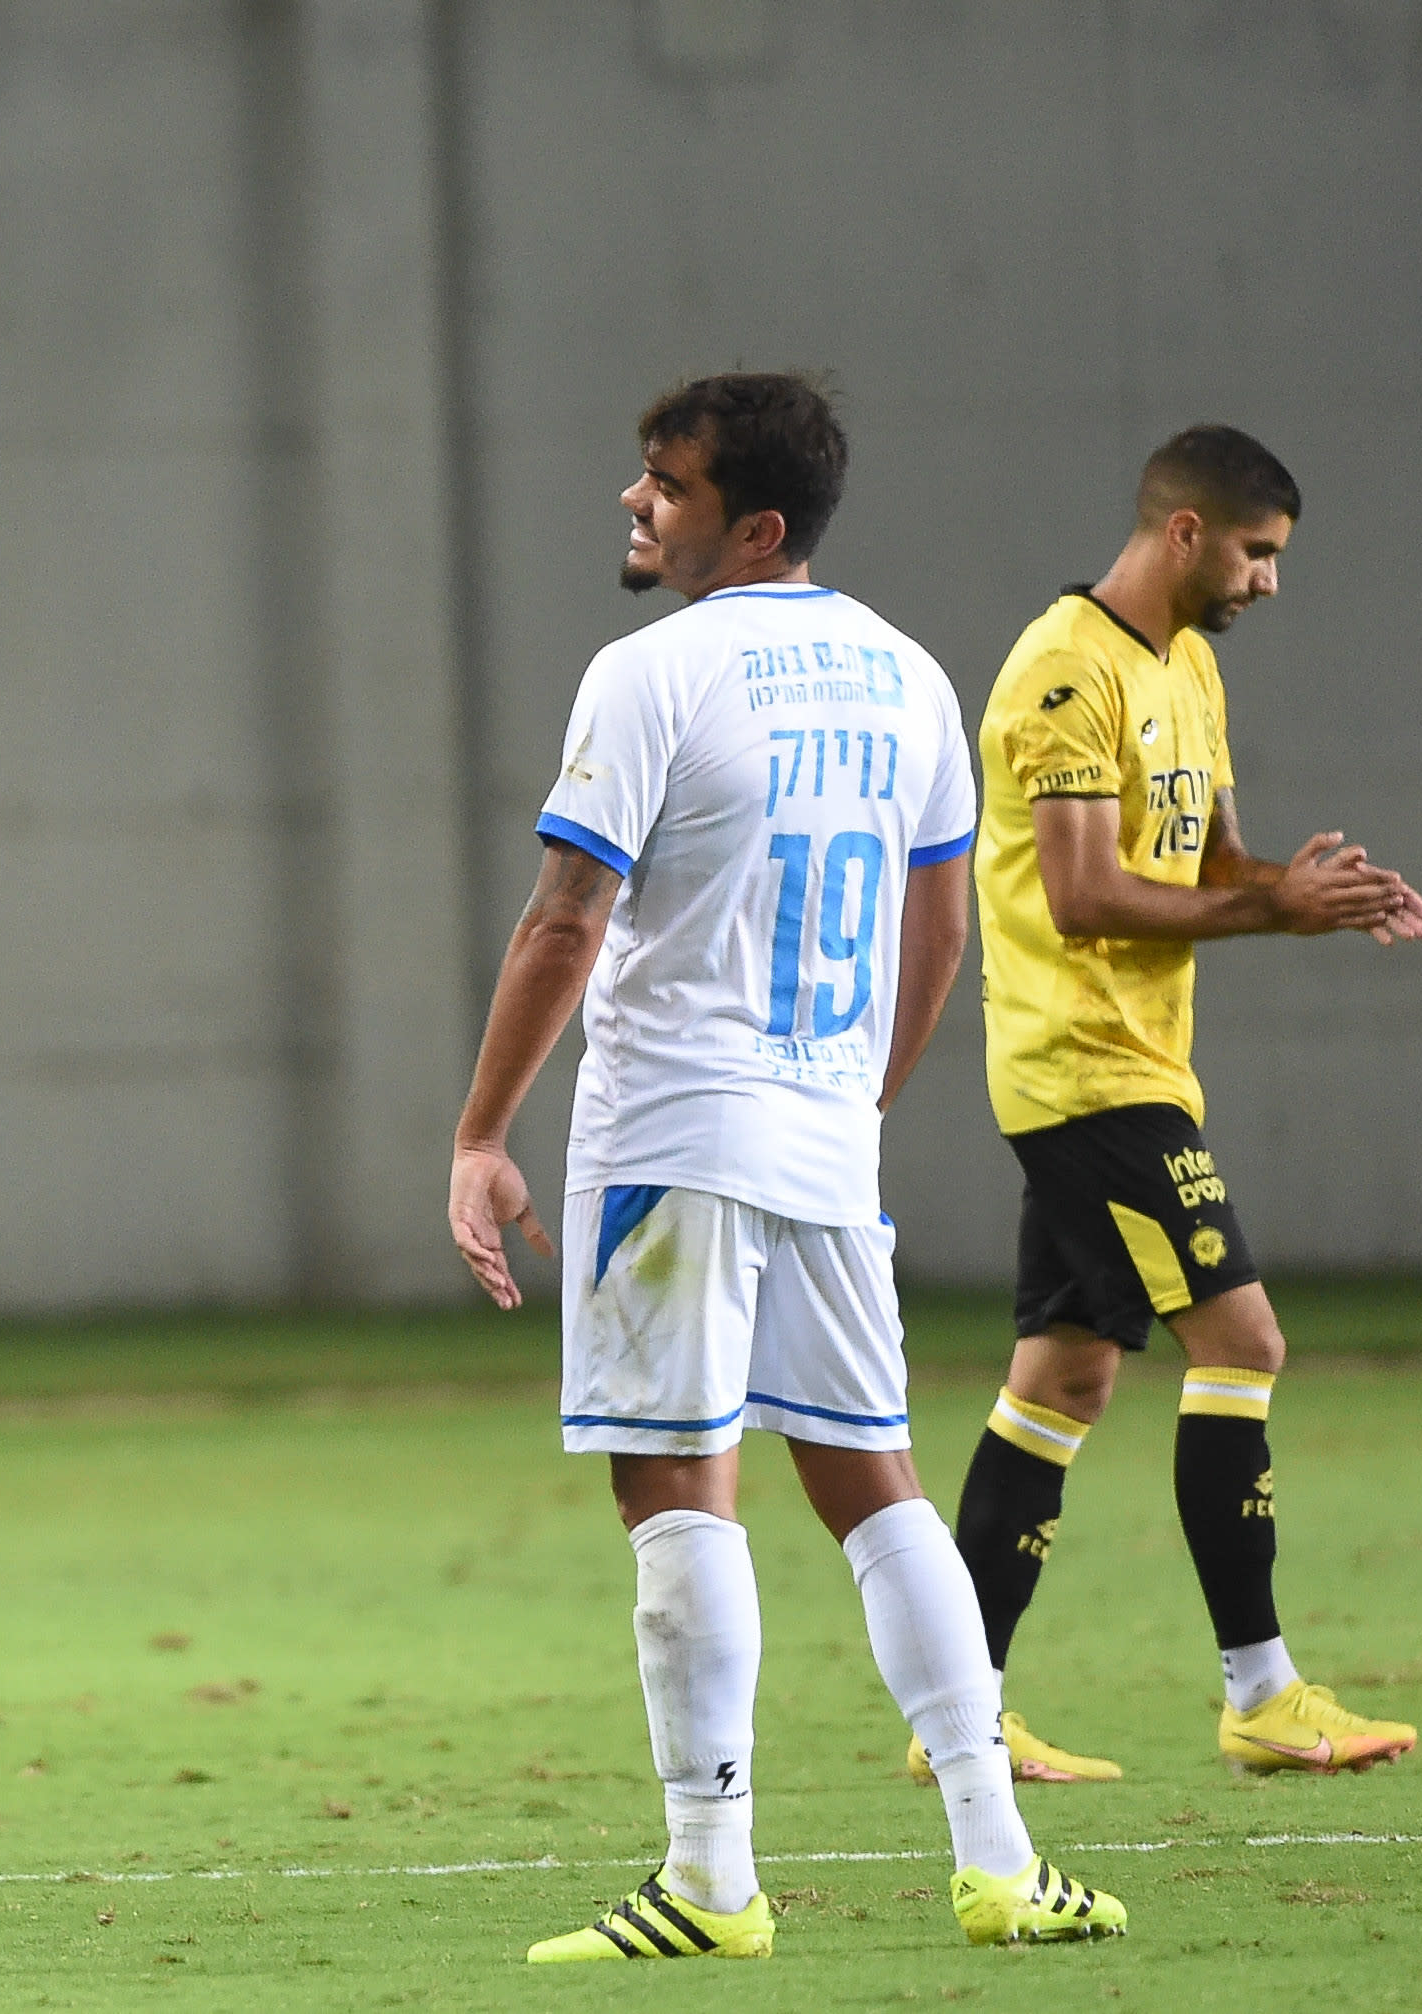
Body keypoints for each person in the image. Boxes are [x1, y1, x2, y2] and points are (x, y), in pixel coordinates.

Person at [450, 372, 1125, 1964]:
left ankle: (712, 1877)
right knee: (875, 1485)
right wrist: (852, 1105)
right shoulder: (907, 674)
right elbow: (938, 927)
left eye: (665, 486)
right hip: (826, 1143)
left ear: (750, 523)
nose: (635, 502)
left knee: (676, 1487)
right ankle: (1001, 1858)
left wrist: (482, 1134)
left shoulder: (652, 673)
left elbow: (566, 920)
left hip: (674, 1134)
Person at [927, 426, 1422, 1788]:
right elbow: (1087, 897)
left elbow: (1207, 865)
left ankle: (956, 1713)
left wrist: (1304, 891)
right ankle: (1262, 1689)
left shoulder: (1187, 670)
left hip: (1139, 1061)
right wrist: (1270, 912)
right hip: (1081, 1066)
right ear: (1188, 532)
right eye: (1260, 554)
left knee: (1066, 1375)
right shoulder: (1059, 671)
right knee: (1245, 1338)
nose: (1271, 582)